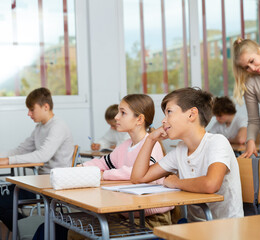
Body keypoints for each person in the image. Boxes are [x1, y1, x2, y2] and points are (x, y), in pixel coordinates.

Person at [66, 94, 173, 240]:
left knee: (95, 234)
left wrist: (104, 175)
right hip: (128, 212)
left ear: (139, 119)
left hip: (152, 219)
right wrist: (82, 168)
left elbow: (138, 173)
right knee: (76, 231)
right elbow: (103, 162)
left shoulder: (152, 145)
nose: (116, 117)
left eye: (122, 113)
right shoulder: (125, 145)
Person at [131, 87, 244, 222]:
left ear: (191, 114)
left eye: (169, 112)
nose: (163, 120)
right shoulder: (180, 150)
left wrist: (177, 182)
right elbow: (139, 177)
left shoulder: (217, 142)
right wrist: (150, 139)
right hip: (194, 226)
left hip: (225, 228)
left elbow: (211, 184)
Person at [0, 87, 73, 234]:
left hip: (53, 185)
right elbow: (21, 149)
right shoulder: (40, 128)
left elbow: (42, 155)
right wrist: (4, 157)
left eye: (32, 109)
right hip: (40, 181)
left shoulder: (58, 126)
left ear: (45, 107)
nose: (29, 114)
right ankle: (29, 231)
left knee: (2, 200)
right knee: (2, 198)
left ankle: (28, 232)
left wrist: (9, 160)